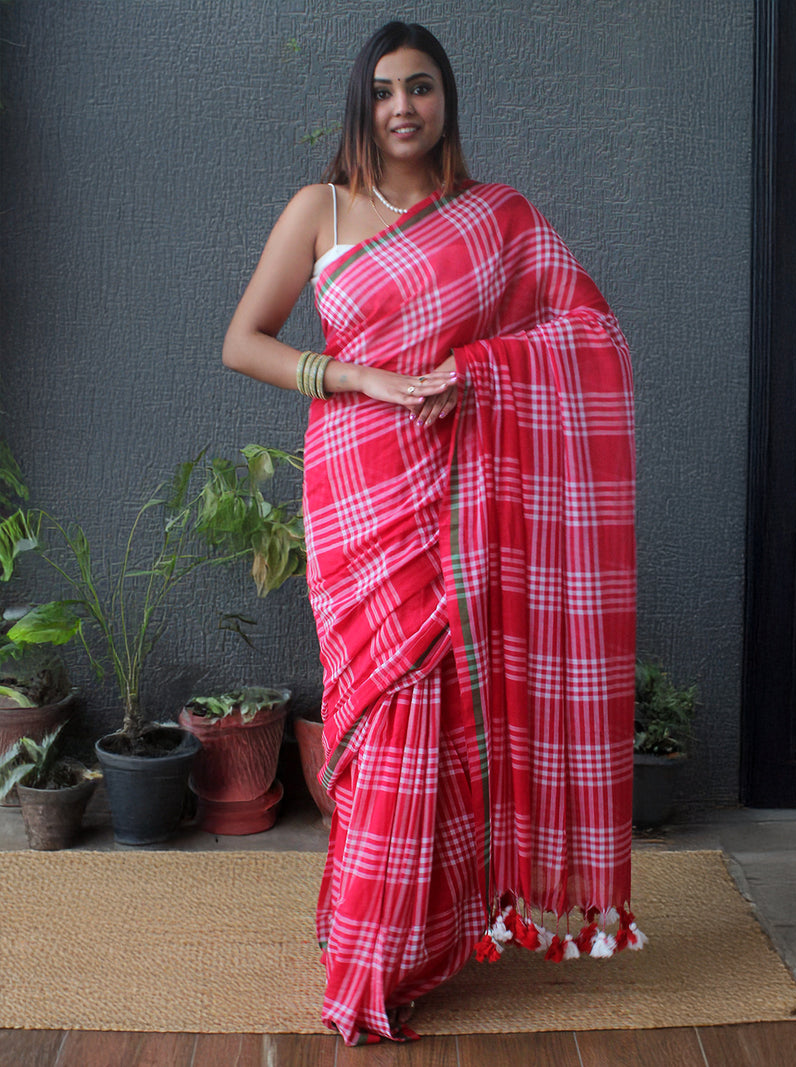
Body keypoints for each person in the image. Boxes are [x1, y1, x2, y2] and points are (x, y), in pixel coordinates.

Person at [223, 21, 641, 1047]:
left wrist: (484, 370)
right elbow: (243, 341)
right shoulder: (317, 211)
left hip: (461, 493)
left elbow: (586, 329)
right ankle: (368, 941)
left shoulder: (496, 220)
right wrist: (356, 373)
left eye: (420, 87)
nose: (402, 106)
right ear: (360, 106)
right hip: (357, 489)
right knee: (377, 716)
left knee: (439, 719)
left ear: (445, 99)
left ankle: (409, 943)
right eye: (382, 91)